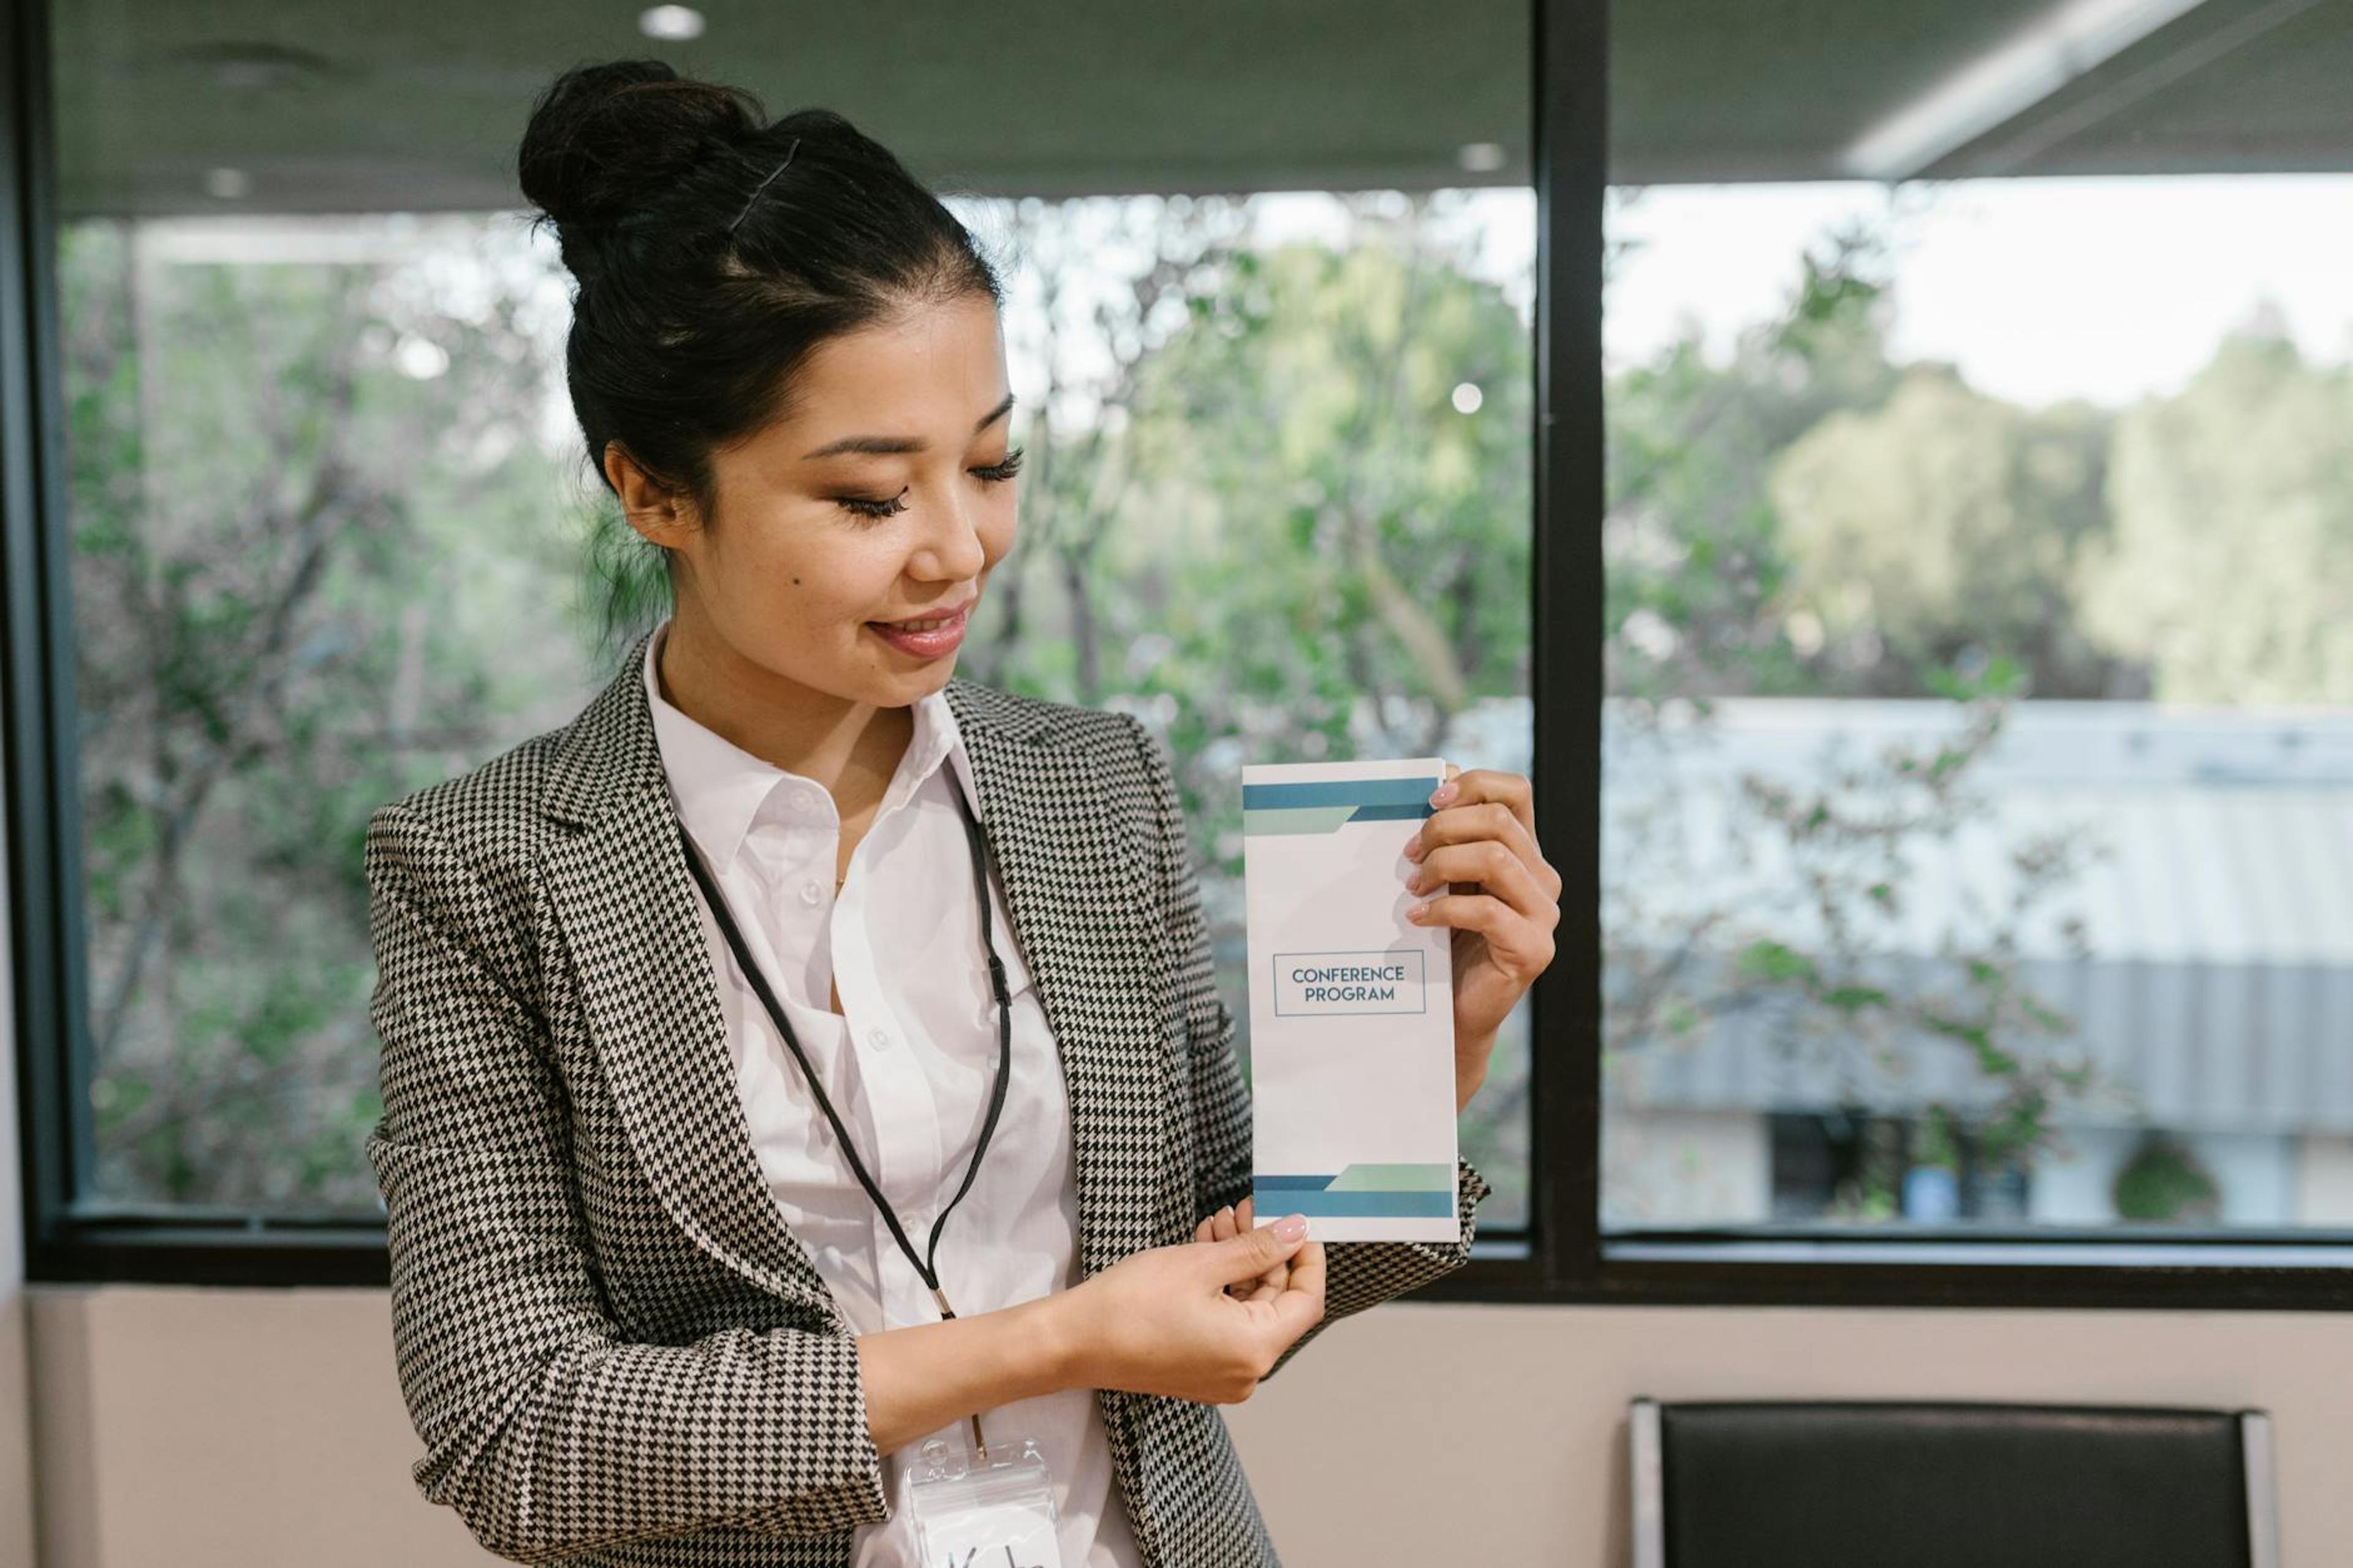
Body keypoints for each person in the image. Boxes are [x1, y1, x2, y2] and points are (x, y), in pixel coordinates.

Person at [362, 59, 1561, 1568]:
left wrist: (1430, 1044)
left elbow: (1231, 1266)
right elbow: (521, 1437)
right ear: (655, 490)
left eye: (991, 465)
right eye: (870, 499)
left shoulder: (1089, 788)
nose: (958, 549)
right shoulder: (485, 869)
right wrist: (1049, 1340)